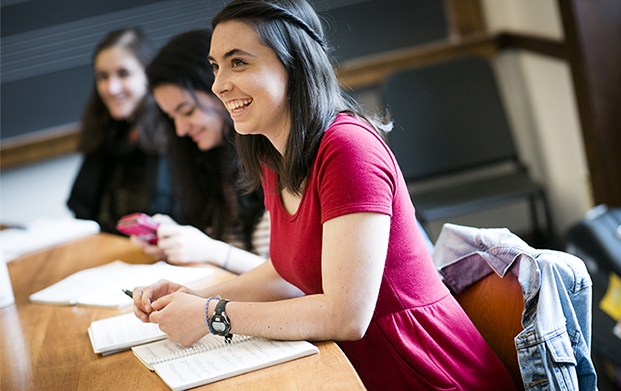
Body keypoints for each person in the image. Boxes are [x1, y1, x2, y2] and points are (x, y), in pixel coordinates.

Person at [131, 1, 517, 389]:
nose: (218, 85)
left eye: (238, 63)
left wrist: (213, 314)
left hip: (424, 370)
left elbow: (346, 315)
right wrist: (193, 295)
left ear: (293, 63)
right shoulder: (272, 155)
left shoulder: (348, 148)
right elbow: (287, 275)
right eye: (216, 66)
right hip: (350, 370)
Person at [130, 29, 268, 274]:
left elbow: (293, 282)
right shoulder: (207, 159)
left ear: (220, 90)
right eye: (172, 117)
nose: (181, 130)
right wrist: (176, 242)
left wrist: (210, 250)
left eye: (187, 111)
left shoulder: (274, 156)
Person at [67, 28, 172, 234]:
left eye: (123, 74)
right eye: (103, 77)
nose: (111, 88)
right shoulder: (107, 129)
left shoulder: (174, 130)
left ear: (148, 74)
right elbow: (82, 206)